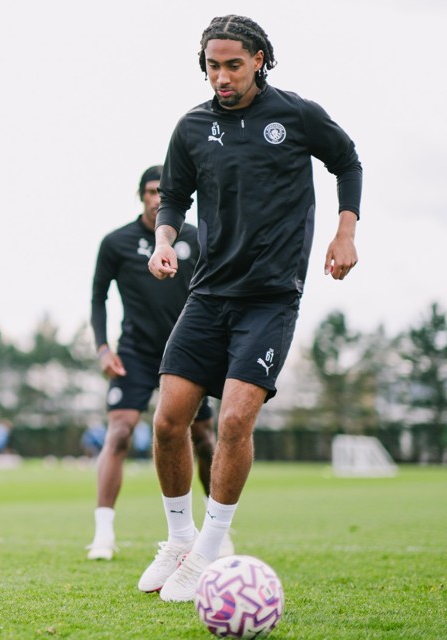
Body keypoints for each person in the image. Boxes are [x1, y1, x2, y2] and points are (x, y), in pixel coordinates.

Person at [139, 15, 361, 601]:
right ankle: (179, 539)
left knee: (235, 420)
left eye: (233, 64)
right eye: (213, 66)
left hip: (270, 297)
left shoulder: (296, 115)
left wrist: (345, 233)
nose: (222, 76)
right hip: (208, 294)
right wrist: (164, 241)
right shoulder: (191, 127)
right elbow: (173, 199)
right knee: (167, 422)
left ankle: (209, 551)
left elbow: (348, 161)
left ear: (259, 59)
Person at [87, 165, 226, 561]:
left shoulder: (198, 239)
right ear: (140, 196)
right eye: (151, 191)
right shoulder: (116, 243)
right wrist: (102, 347)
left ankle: (218, 532)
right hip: (134, 353)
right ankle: (103, 535)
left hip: (187, 351)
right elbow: (99, 297)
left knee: (202, 437)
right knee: (120, 433)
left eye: (163, 191)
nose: (157, 198)